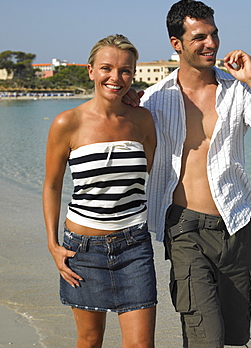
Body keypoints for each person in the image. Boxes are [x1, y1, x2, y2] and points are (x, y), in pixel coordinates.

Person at [125, 0, 251, 348]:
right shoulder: (154, 100)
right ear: (176, 44)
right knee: (206, 338)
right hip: (184, 229)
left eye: (214, 35)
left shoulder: (238, 91)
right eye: (200, 37)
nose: (212, 44)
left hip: (235, 224)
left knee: (235, 337)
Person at [43, 34, 157, 348]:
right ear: (91, 70)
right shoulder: (67, 122)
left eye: (125, 71)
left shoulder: (142, 119)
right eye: (106, 68)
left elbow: (147, 174)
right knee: (91, 340)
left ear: (133, 75)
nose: (115, 77)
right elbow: (52, 185)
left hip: (134, 247)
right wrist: (52, 244)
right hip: (83, 250)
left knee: (140, 345)